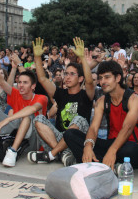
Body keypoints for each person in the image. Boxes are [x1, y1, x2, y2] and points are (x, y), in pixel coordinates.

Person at [63, 60, 138, 170]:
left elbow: (127, 128)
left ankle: (93, 162)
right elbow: (93, 128)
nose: (103, 82)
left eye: (107, 77)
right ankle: (110, 166)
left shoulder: (134, 99)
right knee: (70, 134)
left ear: (118, 78)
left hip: (131, 147)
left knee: (130, 150)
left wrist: (112, 151)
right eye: (100, 78)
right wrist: (88, 145)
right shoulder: (102, 101)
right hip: (110, 144)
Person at [27, 37, 94, 166]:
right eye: (66, 73)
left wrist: (83, 58)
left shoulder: (86, 95)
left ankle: (52, 154)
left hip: (77, 139)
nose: (67, 77)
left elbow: (90, 81)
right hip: (59, 138)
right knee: (38, 119)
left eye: (72, 74)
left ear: (80, 79)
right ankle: (61, 153)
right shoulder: (60, 93)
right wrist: (37, 57)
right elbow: (42, 78)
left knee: (79, 119)